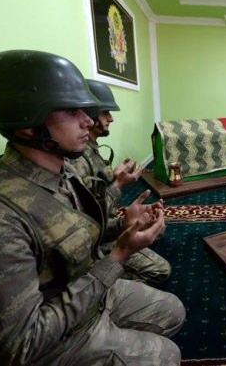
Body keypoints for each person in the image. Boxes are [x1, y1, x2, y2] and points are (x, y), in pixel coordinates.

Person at [0, 50, 185, 365]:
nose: (88, 120)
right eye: (72, 111)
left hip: (81, 293)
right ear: (28, 125)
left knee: (173, 311)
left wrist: (124, 227)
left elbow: (72, 238)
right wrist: (119, 255)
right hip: (51, 341)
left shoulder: (60, 173)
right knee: (168, 356)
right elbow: (22, 346)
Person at [69, 79, 170, 285]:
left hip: (104, 224)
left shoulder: (90, 149)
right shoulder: (76, 159)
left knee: (157, 227)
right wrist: (118, 186)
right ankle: (102, 285)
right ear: (89, 115)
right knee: (160, 270)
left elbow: (96, 196)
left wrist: (115, 179)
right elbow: (89, 220)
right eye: (105, 113)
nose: (111, 119)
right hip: (94, 238)